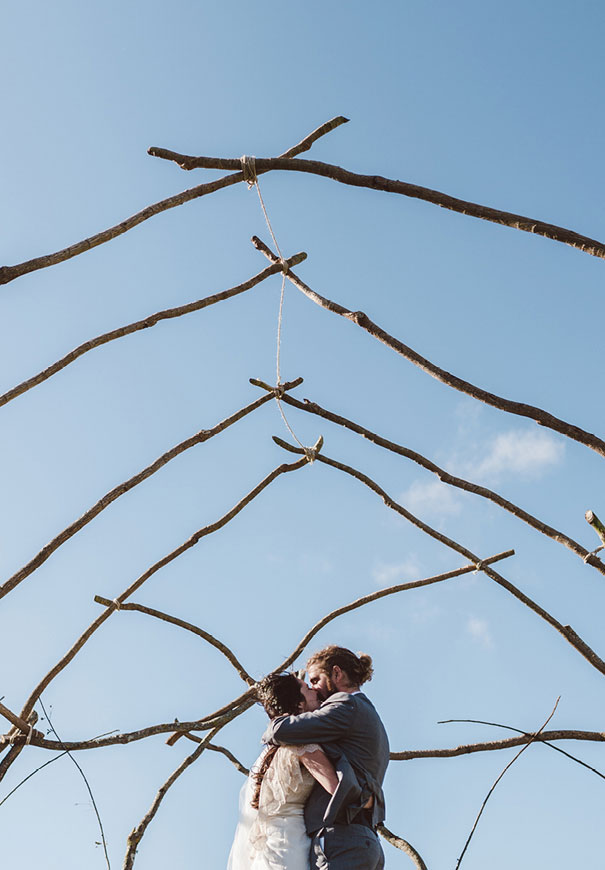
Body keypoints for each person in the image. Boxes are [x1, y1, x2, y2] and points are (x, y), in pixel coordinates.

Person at [262, 646, 389, 870]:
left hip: (341, 839)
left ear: (337, 674)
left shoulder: (345, 705)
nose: (314, 688)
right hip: (364, 841)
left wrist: (283, 717)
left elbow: (279, 731)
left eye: (315, 679)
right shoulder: (370, 717)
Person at [227, 672, 339, 870]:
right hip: (289, 844)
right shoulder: (303, 743)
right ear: (299, 705)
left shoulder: (268, 753)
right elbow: (335, 788)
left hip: (266, 849)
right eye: (307, 689)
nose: (314, 692)